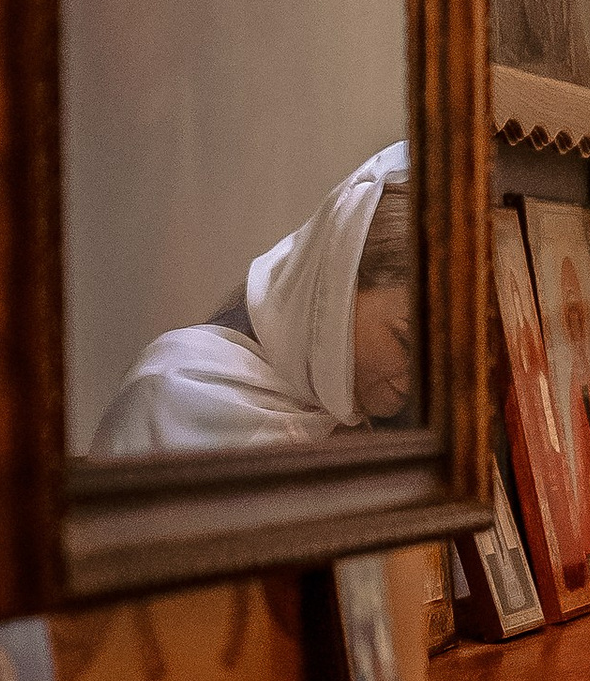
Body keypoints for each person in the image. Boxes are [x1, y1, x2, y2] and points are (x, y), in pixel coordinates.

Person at [90, 146, 413, 457]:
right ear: (338, 289)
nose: (418, 378)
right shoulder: (168, 394)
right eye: (406, 342)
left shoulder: (403, 434)